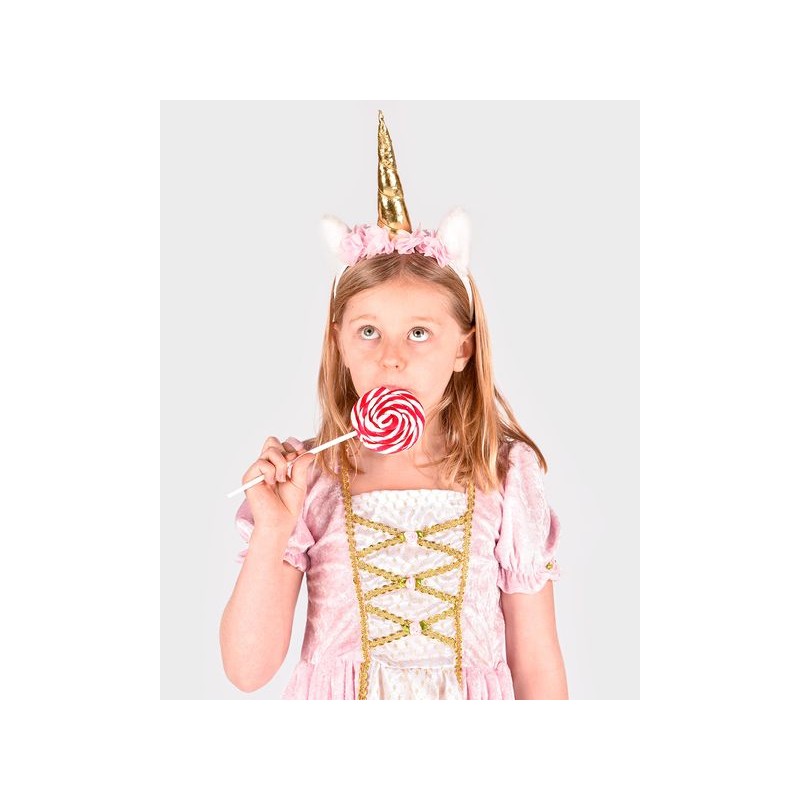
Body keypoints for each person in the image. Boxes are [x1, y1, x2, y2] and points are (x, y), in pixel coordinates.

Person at [219, 110, 567, 700]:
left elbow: (537, 664)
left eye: (420, 333)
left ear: (463, 348)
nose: (392, 358)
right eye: (369, 332)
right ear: (338, 341)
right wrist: (274, 527)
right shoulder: (310, 478)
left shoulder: (503, 475)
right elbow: (246, 670)